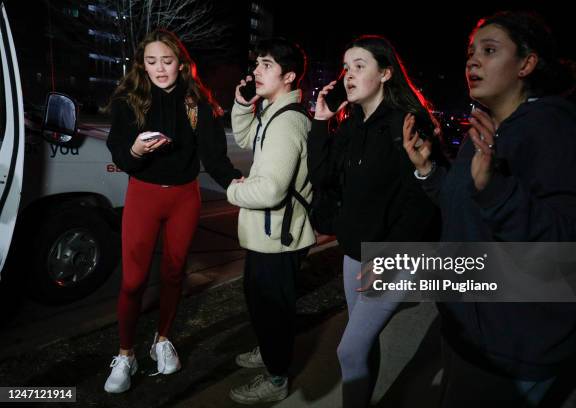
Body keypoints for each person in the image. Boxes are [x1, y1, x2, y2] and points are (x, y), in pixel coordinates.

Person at [403, 11, 576, 407]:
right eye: (470, 53)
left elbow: (574, 251)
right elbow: (463, 207)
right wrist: (428, 170)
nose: (472, 61)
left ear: (526, 64)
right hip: (467, 333)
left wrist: (497, 191)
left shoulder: (554, 132)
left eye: (489, 51)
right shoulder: (488, 129)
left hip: (511, 351)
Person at [104, 29, 241, 393]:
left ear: (181, 64)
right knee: (133, 281)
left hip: (184, 197)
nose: (160, 69)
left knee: (174, 273)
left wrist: (239, 184)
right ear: (141, 65)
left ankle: (162, 340)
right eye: (151, 62)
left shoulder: (197, 103)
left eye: (167, 61)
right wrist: (135, 149)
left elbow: (215, 159)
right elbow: (119, 153)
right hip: (143, 196)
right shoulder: (128, 99)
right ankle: (126, 354)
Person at [309, 35, 440, 408]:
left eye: (359, 66)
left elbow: (422, 205)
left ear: (385, 73)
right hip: (355, 250)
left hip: (394, 254)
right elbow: (321, 178)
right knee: (361, 346)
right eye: (346, 67)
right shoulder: (352, 125)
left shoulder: (406, 125)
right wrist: (321, 122)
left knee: (349, 349)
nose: (348, 75)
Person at [227, 37, 315, 404]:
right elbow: (246, 138)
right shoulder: (273, 113)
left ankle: (277, 378)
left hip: (279, 236)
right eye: (257, 64)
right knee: (258, 298)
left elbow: (270, 192)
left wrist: (232, 191)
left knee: (274, 310)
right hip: (269, 234)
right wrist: (242, 106)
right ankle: (268, 350)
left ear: (289, 76)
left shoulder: (286, 123)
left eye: (266, 65)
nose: (256, 71)